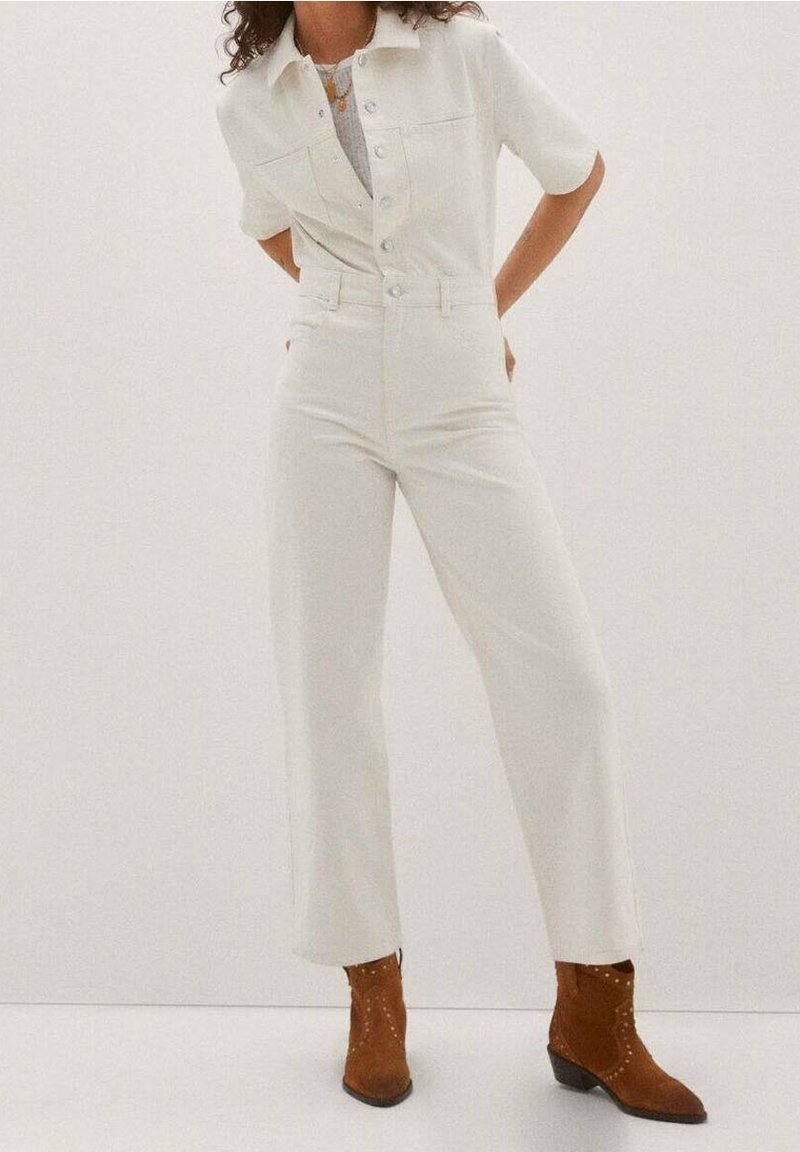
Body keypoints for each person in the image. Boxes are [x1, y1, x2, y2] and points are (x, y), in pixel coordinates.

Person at [215, 1, 706, 1123]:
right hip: (323, 393)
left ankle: (595, 1008)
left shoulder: (462, 50)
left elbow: (574, 171)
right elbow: (268, 227)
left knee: (564, 683)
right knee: (328, 692)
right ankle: (373, 998)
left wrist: (476, 304)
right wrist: (349, 299)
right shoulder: (246, 100)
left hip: (461, 385)